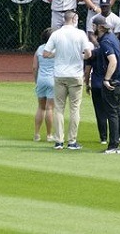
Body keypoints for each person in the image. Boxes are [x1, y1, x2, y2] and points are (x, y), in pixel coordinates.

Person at [42, 11, 93, 150]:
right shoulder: (80, 34)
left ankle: (59, 141)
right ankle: (72, 141)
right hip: (75, 74)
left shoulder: (56, 34)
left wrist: (57, 54)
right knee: (74, 108)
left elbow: (45, 54)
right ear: (75, 19)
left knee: (59, 108)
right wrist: (79, 56)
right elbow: (88, 53)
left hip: (60, 74)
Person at [85, 14, 120, 154]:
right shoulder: (111, 38)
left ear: (100, 27)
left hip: (112, 81)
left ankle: (113, 145)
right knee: (117, 110)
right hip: (119, 79)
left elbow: (113, 61)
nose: (93, 28)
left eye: (94, 26)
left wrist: (106, 79)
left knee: (112, 113)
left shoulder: (105, 41)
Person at [32, 27, 56, 142]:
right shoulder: (56, 50)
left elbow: (35, 67)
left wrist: (36, 80)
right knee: (50, 108)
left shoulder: (40, 49)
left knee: (41, 107)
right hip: (53, 80)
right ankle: (49, 135)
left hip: (41, 79)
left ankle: (36, 134)